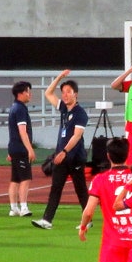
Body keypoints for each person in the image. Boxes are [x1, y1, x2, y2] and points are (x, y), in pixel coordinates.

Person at [32, 70, 90, 230]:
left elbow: (77, 136)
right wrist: (59, 78)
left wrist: (64, 152)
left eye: (68, 92)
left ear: (75, 94)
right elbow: (48, 93)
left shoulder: (81, 114)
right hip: (61, 157)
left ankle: (88, 219)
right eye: (63, 92)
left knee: (81, 190)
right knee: (56, 188)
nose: (64, 95)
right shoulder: (64, 108)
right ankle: (47, 220)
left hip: (75, 157)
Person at [7, 81, 35, 217]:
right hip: (20, 148)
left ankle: (13, 208)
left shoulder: (14, 107)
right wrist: (30, 149)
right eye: (28, 91)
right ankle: (23, 207)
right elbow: (22, 131)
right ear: (21, 93)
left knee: (15, 179)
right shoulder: (20, 109)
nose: (30, 94)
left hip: (14, 148)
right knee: (25, 179)